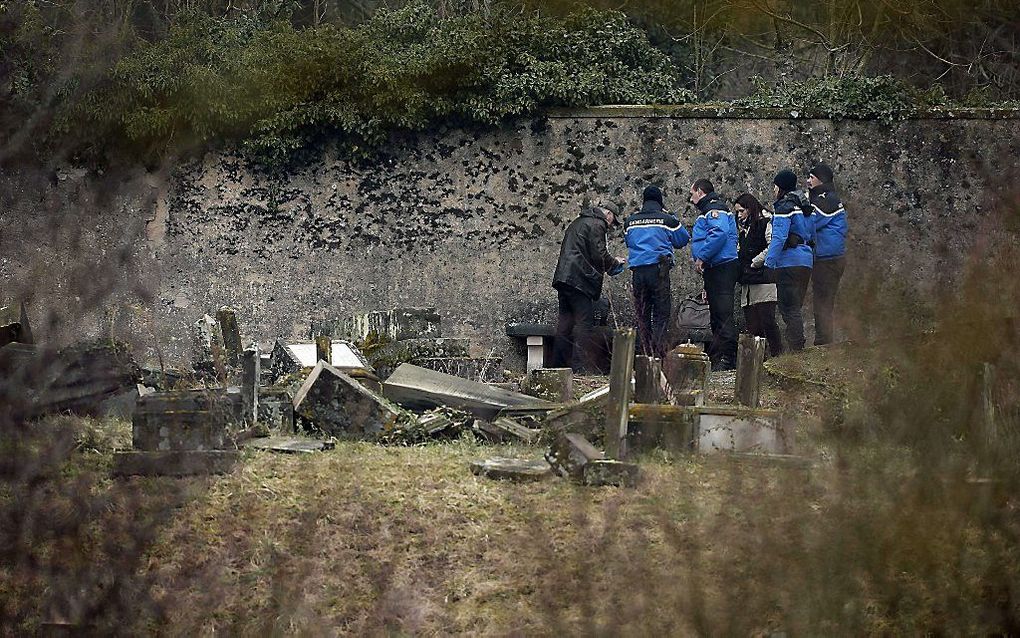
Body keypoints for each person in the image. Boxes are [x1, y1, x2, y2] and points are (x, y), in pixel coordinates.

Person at [551, 200, 625, 372]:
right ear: (608, 215)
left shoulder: (578, 222)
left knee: (565, 324)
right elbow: (599, 254)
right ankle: (579, 367)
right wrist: (614, 263)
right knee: (585, 323)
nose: (610, 226)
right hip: (579, 280)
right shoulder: (597, 224)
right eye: (612, 222)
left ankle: (557, 366)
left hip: (564, 278)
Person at [624, 185, 690, 358]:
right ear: (660, 201)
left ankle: (642, 355)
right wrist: (672, 216)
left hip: (638, 272)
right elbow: (682, 239)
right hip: (659, 270)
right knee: (661, 314)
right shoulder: (667, 220)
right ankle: (657, 355)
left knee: (642, 315)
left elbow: (628, 241)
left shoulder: (630, 222)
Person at [689, 179, 740, 370]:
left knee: (722, 313)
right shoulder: (708, 210)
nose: (691, 198)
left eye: (692, 193)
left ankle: (729, 358)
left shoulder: (714, 208)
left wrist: (702, 257)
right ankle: (721, 357)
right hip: (715, 267)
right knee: (716, 315)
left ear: (700, 192)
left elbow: (719, 233)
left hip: (721, 266)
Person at [764, 169, 814, 351]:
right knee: (796, 306)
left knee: (788, 307)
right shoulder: (806, 207)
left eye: (775, 186)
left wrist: (769, 263)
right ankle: (797, 345)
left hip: (788, 262)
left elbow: (778, 238)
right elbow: (812, 234)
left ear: (781, 187)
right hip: (806, 261)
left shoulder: (784, 207)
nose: (774, 190)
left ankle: (796, 348)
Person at [734, 193, 783, 357]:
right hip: (748, 281)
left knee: (767, 320)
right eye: (737, 212)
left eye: (741, 211)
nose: (739, 215)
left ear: (750, 209)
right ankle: (756, 360)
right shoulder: (744, 229)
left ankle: (778, 355)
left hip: (763, 279)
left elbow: (772, 246)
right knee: (752, 325)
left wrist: (756, 261)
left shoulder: (765, 222)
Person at [807, 163, 848, 346]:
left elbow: (812, 222)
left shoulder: (826, 199)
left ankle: (824, 341)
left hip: (828, 259)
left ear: (821, 180)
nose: (808, 181)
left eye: (811, 177)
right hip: (827, 258)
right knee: (823, 300)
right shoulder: (826, 197)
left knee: (823, 302)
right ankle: (823, 340)